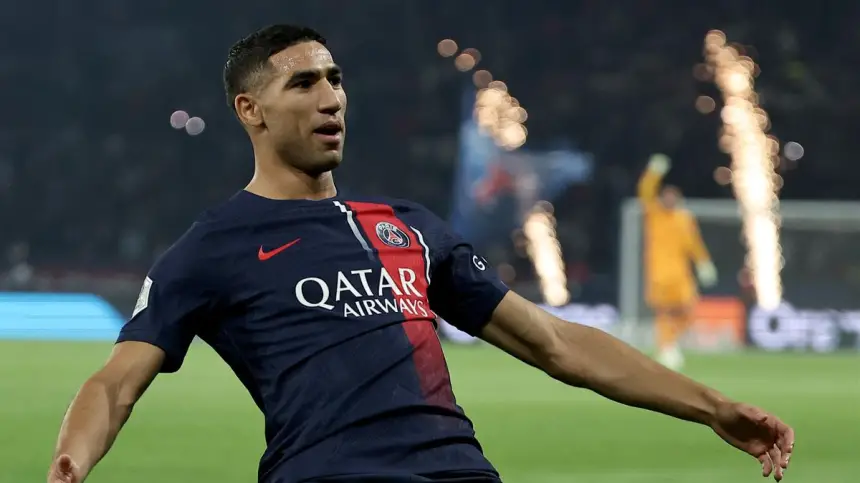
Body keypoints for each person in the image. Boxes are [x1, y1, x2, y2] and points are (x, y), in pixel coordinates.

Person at [48, 25, 794, 483]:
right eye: (303, 83)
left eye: (335, 79)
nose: (331, 97)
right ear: (251, 110)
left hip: (461, 472)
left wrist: (712, 407)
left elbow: (556, 342)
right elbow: (116, 382)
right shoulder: (212, 246)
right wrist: (72, 461)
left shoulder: (407, 228)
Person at [638, 153, 719, 370]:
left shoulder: (684, 218)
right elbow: (645, 191)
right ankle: (666, 348)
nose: (670, 200)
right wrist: (654, 172)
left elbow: (694, 244)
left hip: (681, 276)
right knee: (663, 313)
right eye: (666, 196)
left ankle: (669, 343)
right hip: (659, 275)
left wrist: (704, 263)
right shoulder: (654, 214)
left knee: (689, 312)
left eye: (673, 196)